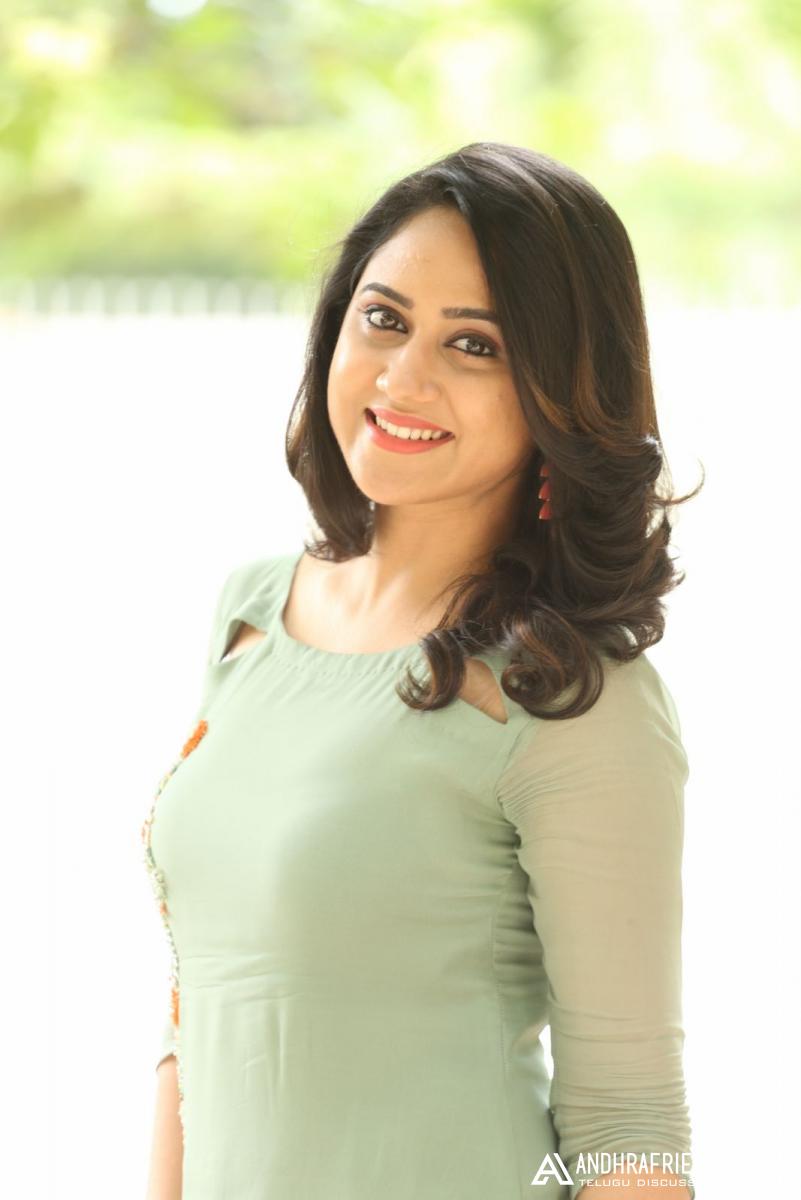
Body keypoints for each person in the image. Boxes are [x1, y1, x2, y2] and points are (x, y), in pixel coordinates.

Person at [143, 141, 702, 1200]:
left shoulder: (570, 696)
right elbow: (194, 1020)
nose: (403, 377)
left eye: (475, 345)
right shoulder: (251, 615)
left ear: (559, 392)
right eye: (384, 319)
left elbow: (628, 1128)